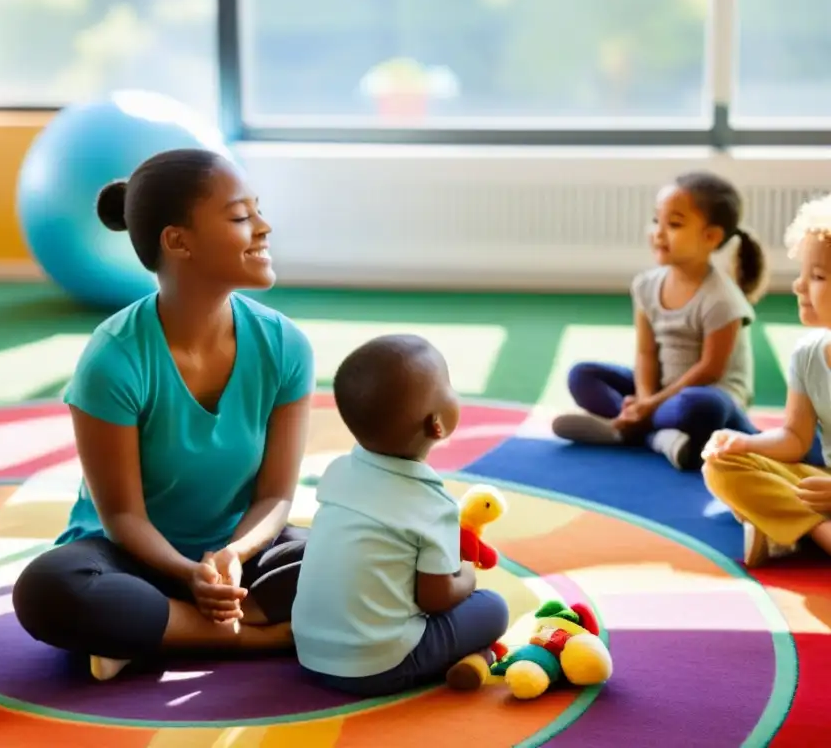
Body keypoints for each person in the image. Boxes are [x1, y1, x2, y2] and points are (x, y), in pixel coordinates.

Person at [11, 148, 315, 682]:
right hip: (130, 558)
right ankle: (255, 635)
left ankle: (155, 632)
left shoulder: (285, 344)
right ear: (178, 241)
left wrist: (233, 556)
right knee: (47, 591)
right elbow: (123, 517)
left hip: (241, 555)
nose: (264, 228)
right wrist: (188, 573)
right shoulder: (113, 357)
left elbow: (275, 498)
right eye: (242, 217)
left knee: (357, 555)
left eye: (257, 211)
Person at [291, 334, 510, 697]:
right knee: (493, 609)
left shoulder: (338, 472)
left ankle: (472, 657)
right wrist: (467, 576)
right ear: (437, 425)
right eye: (450, 386)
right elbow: (436, 599)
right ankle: (472, 656)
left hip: (310, 653)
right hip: (378, 666)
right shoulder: (432, 503)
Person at [551, 171, 768, 471]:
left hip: (710, 395)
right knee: (581, 375)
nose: (659, 232)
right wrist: (643, 397)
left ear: (711, 237)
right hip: (661, 392)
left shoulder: (723, 300)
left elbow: (709, 371)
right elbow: (646, 353)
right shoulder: (645, 286)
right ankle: (655, 436)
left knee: (701, 407)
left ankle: (627, 429)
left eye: (674, 224)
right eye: (656, 221)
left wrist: (647, 407)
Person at [703, 194, 831, 567]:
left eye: (818, 276)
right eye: (802, 272)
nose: (798, 286)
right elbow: (794, 439)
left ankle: (783, 523)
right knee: (722, 466)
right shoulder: (808, 354)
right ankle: (817, 528)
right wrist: (744, 443)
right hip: (821, 483)